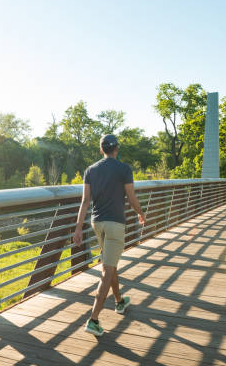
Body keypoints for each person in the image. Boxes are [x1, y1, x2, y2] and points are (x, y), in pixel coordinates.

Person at [73, 134, 146, 336]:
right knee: (107, 270)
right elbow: (131, 199)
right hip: (115, 224)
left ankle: (119, 302)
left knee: (109, 263)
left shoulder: (90, 170)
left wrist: (79, 228)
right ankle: (93, 319)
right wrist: (140, 212)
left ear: (101, 149)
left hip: (97, 223)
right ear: (117, 149)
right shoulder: (124, 169)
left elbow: (85, 202)